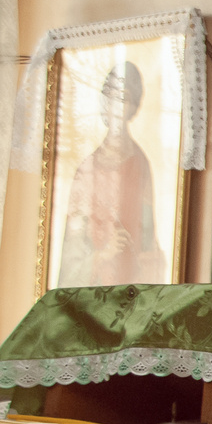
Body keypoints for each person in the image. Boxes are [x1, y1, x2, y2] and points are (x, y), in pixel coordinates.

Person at [56, 61, 164, 286]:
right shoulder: (87, 169)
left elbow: (147, 238)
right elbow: (71, 255)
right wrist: (103, 254)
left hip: (128, 290)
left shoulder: (140, 164)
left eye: (123, 97)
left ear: (133, 106)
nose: (116, 105)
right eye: (111, 96)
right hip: (92, 292)